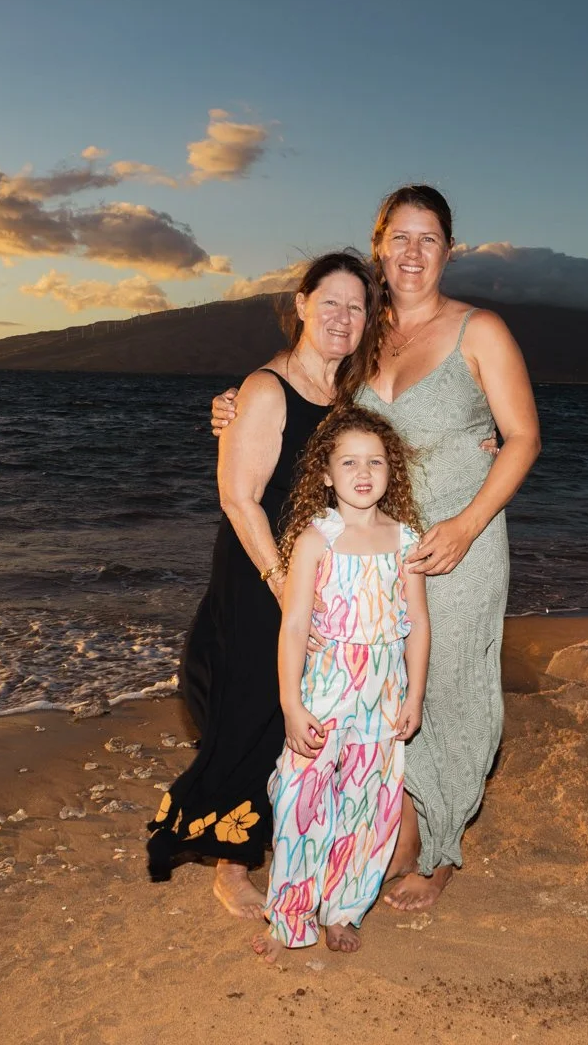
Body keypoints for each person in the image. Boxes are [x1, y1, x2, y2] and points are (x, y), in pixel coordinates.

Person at [212, 185, 541, 911]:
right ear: (379, 248)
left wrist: (467, 522)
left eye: (429, 239)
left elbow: (523, 439)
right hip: (369, 554)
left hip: (459, 545)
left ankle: (442, 844)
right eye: (401, 239)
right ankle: (384, 817)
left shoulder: (479, 331)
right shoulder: (362, 331)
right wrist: (238, 402)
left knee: (448, 688)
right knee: (378, 687)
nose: (414, 253)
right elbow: (303, 376)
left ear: (449, 251)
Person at [147, 252, 385, 920]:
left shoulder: (348, 396)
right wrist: (284, 585)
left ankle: (294, 835)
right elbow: (239, 497)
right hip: (262, 576)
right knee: (256, 707)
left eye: (356, 307)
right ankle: (232, 865)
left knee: (307, 711)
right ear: (302, 304)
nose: (342, 317)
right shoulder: (265, 389)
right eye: (329, 303)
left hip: (320, 573)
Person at [255, 406, 429, 960]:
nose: (362, 472)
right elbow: (295, 625)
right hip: (325, 688)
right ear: (325, 474)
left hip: (382, 694)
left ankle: (343, 909)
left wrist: (415, 695)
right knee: (301, 798)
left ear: (390, 471)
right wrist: (290, 703)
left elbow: (418, 624)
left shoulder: (406, 540)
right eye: (348, 461)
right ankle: (289, 912)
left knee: (367, 801)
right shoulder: (315, 539)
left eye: (375, 461)